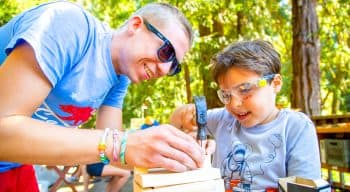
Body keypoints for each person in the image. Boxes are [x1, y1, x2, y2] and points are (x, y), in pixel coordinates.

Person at [0, 1, 205, 191]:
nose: (165, 69)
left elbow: (115, 155)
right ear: (135, 25)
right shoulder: (68, 24)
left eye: (174, 66)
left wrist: (178, 148)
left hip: (15, 165)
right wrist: (122, 144)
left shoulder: (119, 78)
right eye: (167, 52)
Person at [169, 40, 321, 191]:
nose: (234, 104)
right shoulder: (224, 119)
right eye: (226, 95)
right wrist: (188, 114)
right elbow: (176, 122)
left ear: (275, 83)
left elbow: (304, 188)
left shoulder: (295, 128)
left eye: (245, 89)